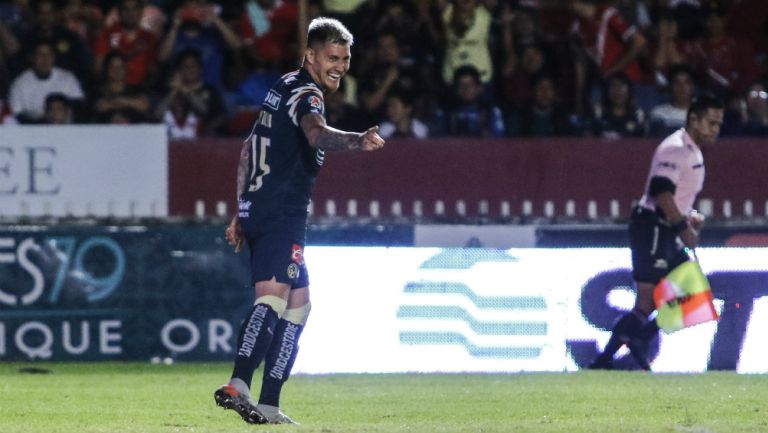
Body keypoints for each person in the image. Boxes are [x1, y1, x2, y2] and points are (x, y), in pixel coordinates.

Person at [214, 17, 384, 424]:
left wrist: (241, 210)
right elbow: (315, 133)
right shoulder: (308, 94)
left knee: (299, 305)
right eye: (332, 57)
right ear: (310, 55)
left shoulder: (282, 86)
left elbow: (247, 149)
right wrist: (356, 141)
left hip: (262, 209)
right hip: (281, 212)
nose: (340, 66)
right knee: (272, 298)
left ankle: (269, 403)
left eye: (344, 58)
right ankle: (238, 384)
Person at [589, 95, 724, 371]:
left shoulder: (692, 150)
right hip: (652, 227)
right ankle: (604, 361)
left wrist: (687, 214)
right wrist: (682, 226)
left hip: (665, 229)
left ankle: (638, 339)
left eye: (718, 124)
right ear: (694, 119)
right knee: (647, 301)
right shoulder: (675, 149)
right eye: (710, 122)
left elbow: (674, 195)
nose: (715, 129)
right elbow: (661, 191)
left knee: (692, 293)